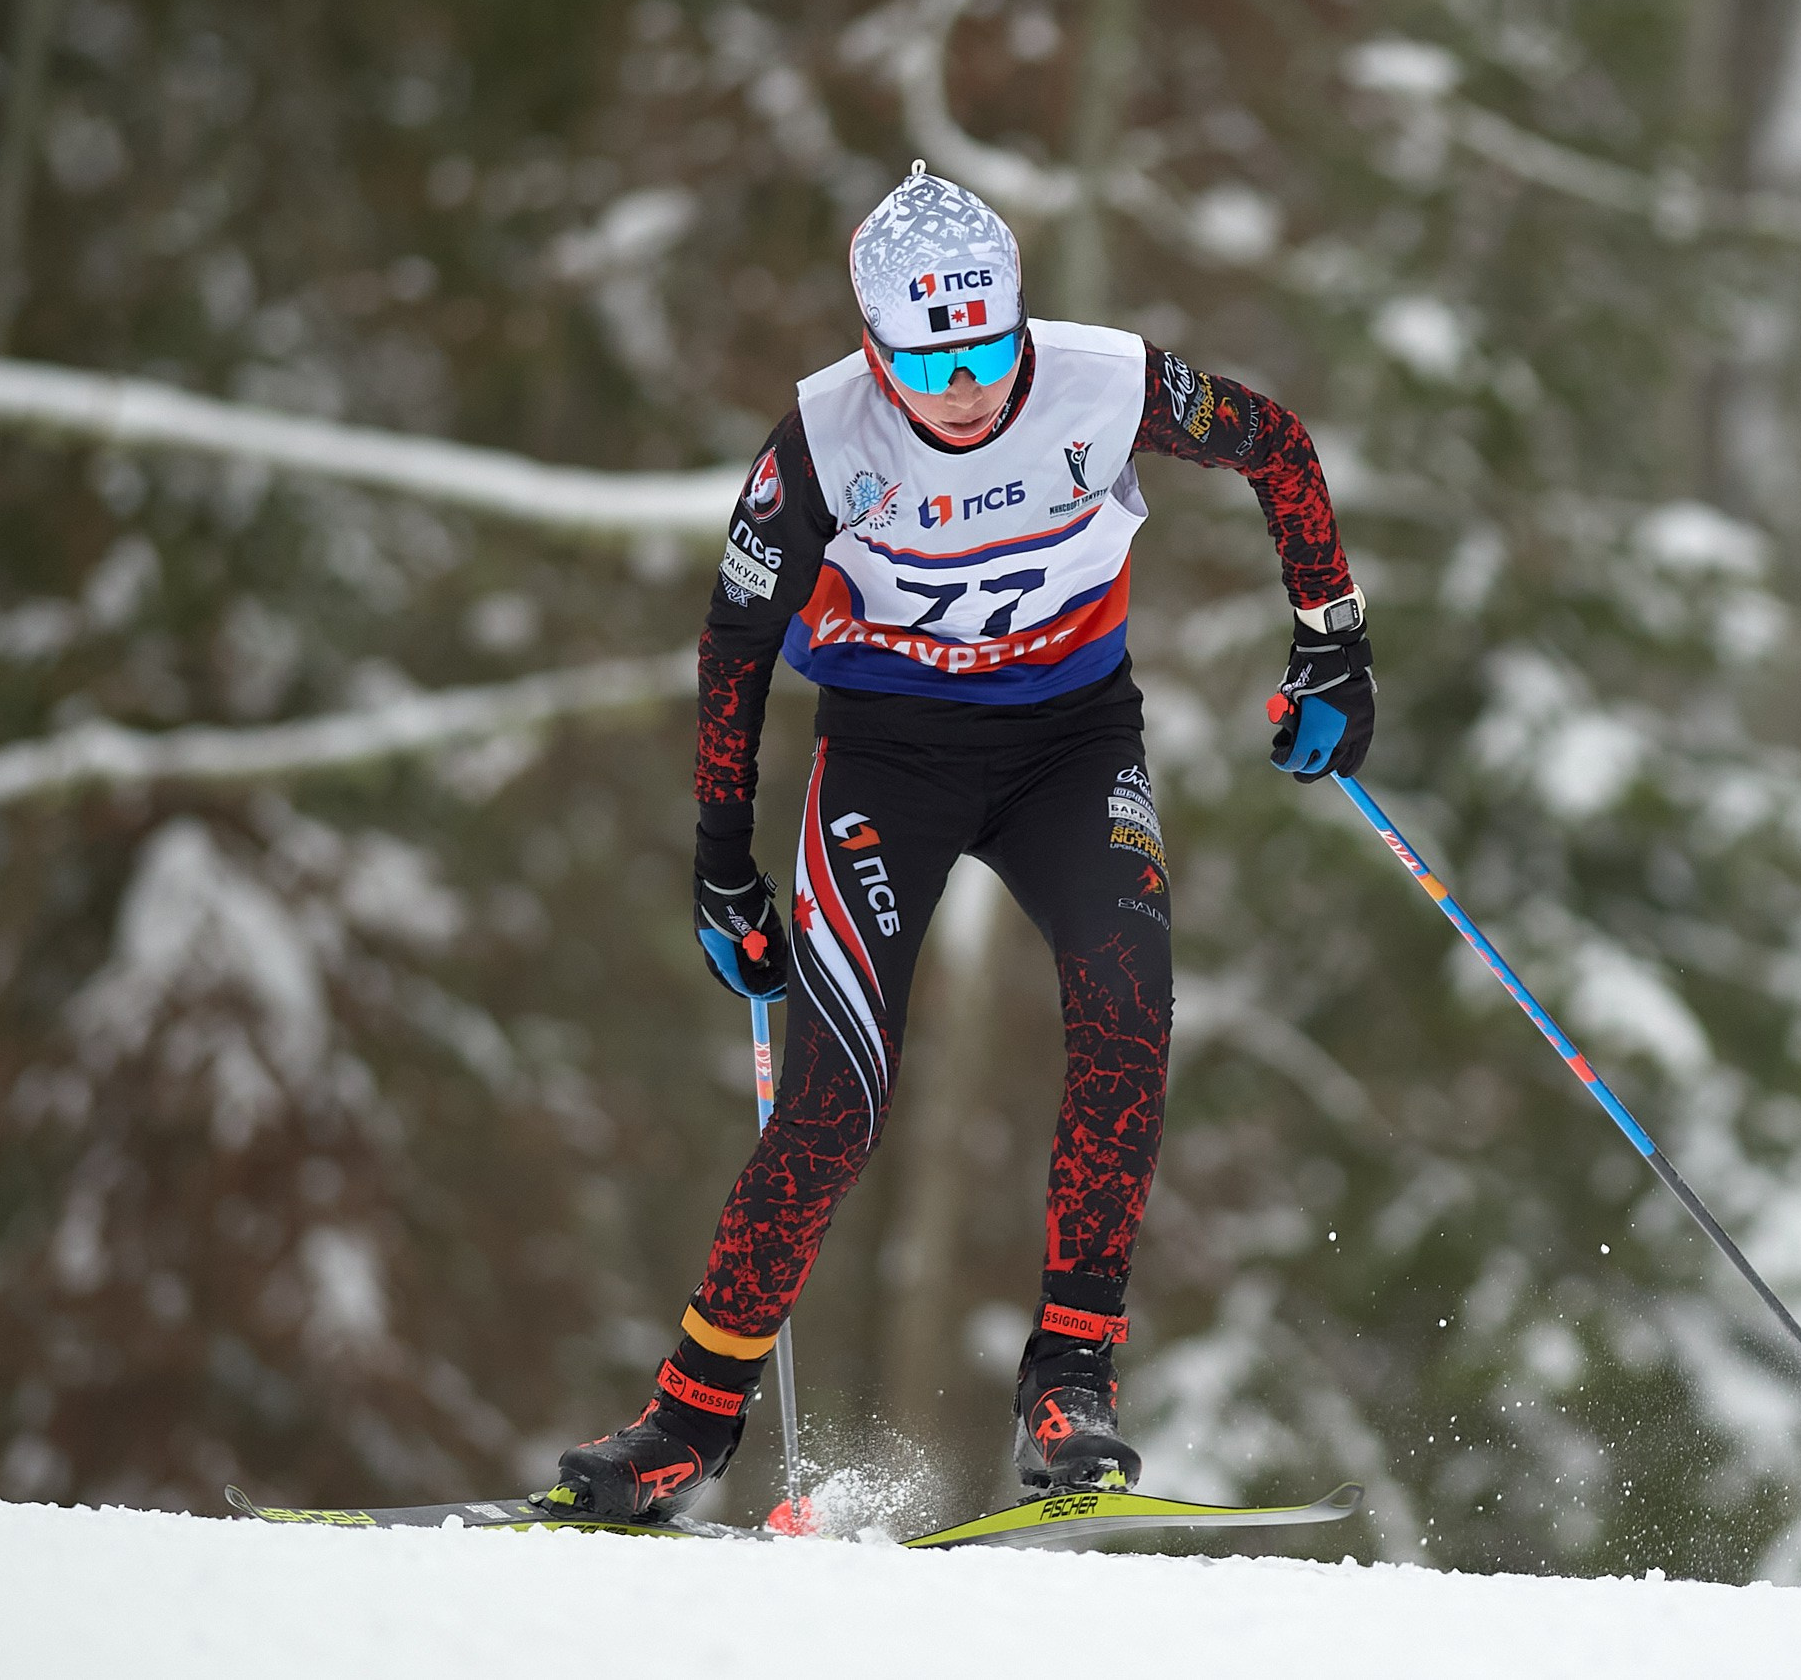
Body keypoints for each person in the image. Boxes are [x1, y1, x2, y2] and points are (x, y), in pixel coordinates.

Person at [555, 164, 1373, 1521]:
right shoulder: (820, 441)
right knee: (838, 1096)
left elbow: (1276, 441)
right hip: (888, 757)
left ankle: (1073, 1382)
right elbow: (735, 647)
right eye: (927, 360)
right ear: (876, 348)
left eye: (990, 347)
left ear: (1020, 322)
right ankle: (685, 1425)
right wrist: (720, 857)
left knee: (1130, 1002)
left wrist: (1331, 638)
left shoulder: (1111, 384)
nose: (964, 387)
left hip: (1072, 745)